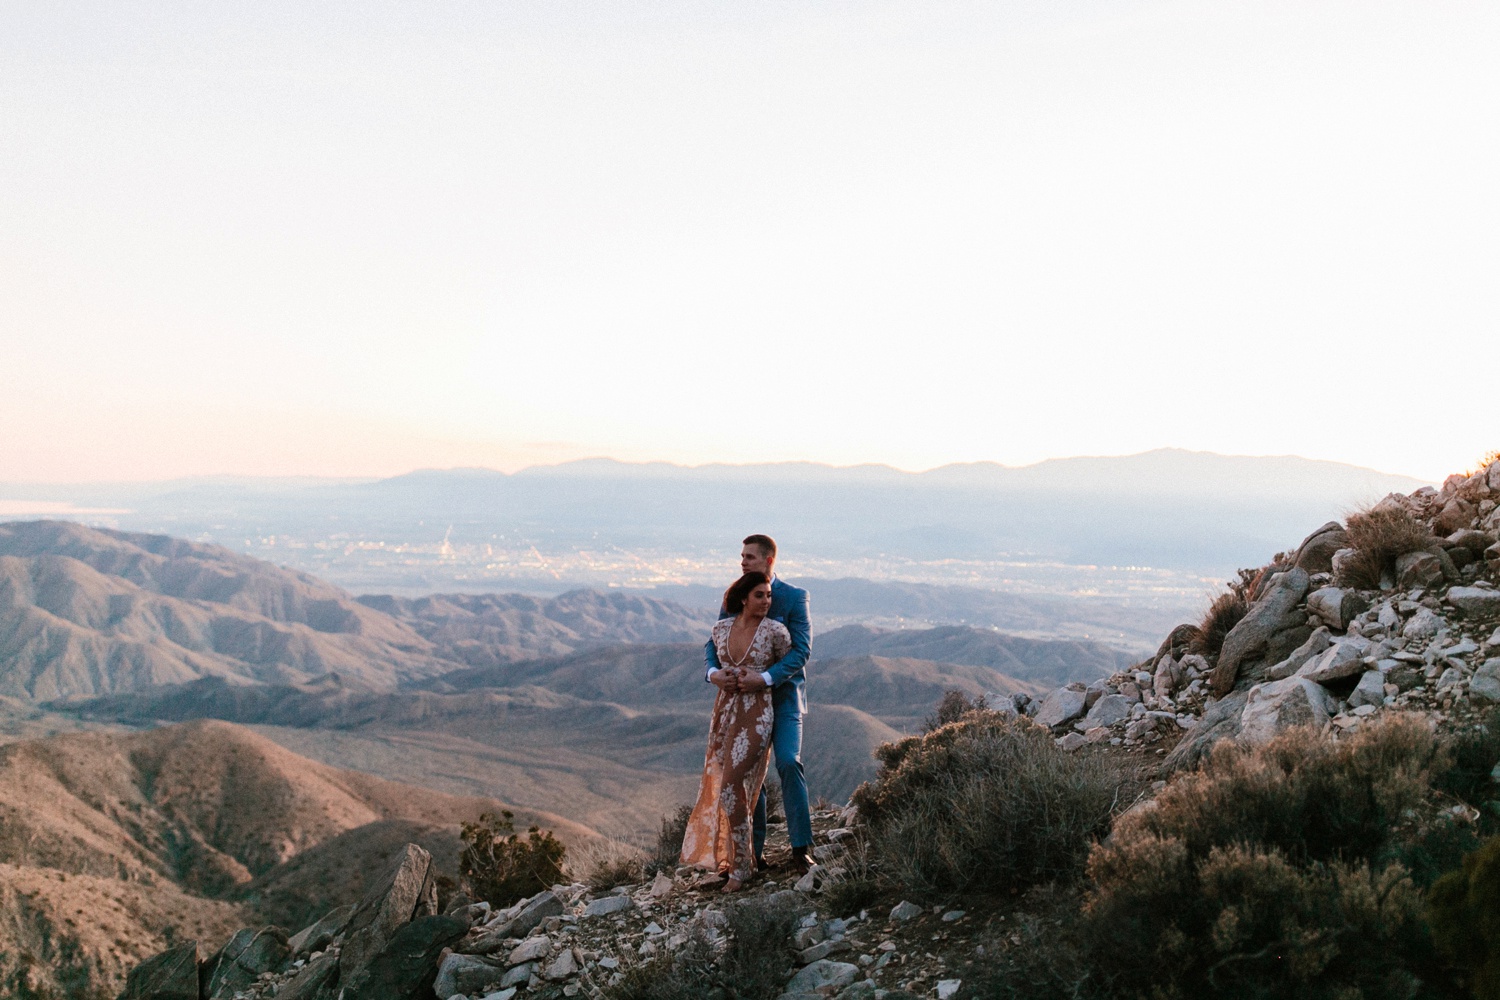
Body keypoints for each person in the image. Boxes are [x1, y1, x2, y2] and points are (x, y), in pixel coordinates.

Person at [703, 534, 813, 874]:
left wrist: (764, 679)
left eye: (749, 556)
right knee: (748, 776)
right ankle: (753, 854)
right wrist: (713, 673)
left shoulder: (794, 597)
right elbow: (714, 640)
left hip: (784, 699)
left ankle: (801, 848)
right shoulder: (737, 594)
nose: (743, 562)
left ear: (768, 560)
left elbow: (801, 651)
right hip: (743, 705)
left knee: (788, 762)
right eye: (742, 556)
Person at [679, 571, 789, 890]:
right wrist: (715, 675)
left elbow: (789, 669)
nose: (766, 601)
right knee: (725, 784)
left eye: (769, 595)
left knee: (731, 785)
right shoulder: (720, 629)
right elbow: (711, 662)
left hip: (758, 713)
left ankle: (740, 870)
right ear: (743, 598)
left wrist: (765, 683)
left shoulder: (776, 633)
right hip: (724, 712)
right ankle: (736, 860)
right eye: (759, 595)